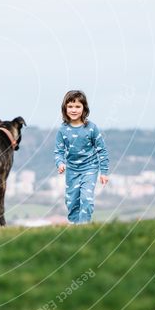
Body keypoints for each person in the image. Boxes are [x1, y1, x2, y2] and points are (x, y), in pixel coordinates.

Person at [54, 90, 109, 224]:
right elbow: (58, 151)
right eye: (70, 106)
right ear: (65, 108)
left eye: (78, 106)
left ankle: (84, 227)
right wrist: (60, 163)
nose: (74, 110)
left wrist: (104, 172)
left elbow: (102, 150)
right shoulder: (62, 130)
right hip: (72, 170)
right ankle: (74, 227)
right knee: (71, 202)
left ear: (84, 108)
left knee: (86, 199)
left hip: (90, 168)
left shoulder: (91, 128)